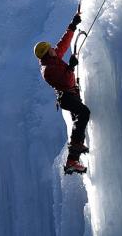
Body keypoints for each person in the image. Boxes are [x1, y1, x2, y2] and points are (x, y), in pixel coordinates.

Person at [34, 14, 90, 174]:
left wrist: (72, 26)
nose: (53, 48)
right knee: (84, 114)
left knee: (79, 122)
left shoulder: (53, 59)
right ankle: (74, 153)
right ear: (46, 53)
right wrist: (71, 68)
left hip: (71, 95)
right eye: (50, 48)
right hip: (66, 97)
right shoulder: (48, 70)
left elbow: (63, 44)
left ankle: (72, 160)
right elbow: (65, 81)